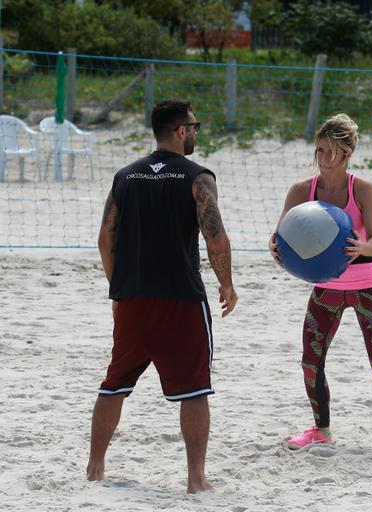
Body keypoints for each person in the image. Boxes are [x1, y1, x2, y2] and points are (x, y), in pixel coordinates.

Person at [86, 100, 238, 493]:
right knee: (195, 389)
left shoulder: (126, 175)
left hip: (132, 298)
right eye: (195, 125)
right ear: (181, 131)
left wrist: (117, 288)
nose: (197, 132)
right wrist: (227, 284)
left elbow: (106, 239)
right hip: (180, 299)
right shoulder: (198, 177)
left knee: (114, 383)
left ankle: (95, 468)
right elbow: (215, 237)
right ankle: (195, 478)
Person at [269, 113, 372, 454]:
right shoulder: (301, 191)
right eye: (318, 150)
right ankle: (321, 430)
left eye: (328, 152)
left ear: (346, 154)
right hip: (326, 286)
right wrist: (276, 248)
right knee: (311, 359)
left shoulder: (363, 189)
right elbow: (281, 236)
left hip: (367, 282)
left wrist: (360, 247)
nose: (322, 159)